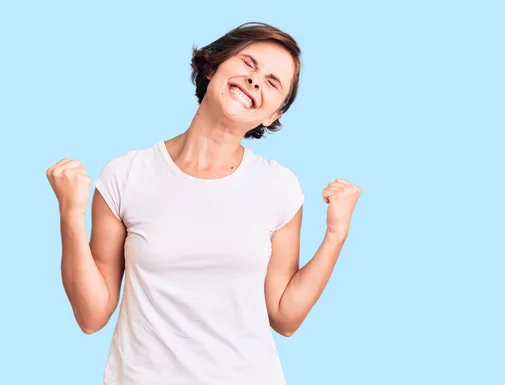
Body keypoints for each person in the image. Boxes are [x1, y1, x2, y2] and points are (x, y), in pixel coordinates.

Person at [46, 22, 361, 385]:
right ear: (212, 67)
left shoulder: (279, 187)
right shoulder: (126, 175)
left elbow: (284, 318)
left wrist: (336, 234)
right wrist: (70, 215)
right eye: (248, 63)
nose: (255, 80)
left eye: (273, 82)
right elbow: (91, 316)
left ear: (273, 115)